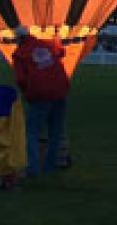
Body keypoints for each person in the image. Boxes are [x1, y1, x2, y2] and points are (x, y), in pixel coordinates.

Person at [11, 28, 70, 179]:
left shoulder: (19, 54)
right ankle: (51, 165)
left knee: (32, 132)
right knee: (55, 132)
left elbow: (20, 79)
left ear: (18, 39)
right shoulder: (46, 45)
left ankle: (33, 167)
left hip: (40, 95)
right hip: (60, 90)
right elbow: (61, 53)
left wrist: (26, 93)